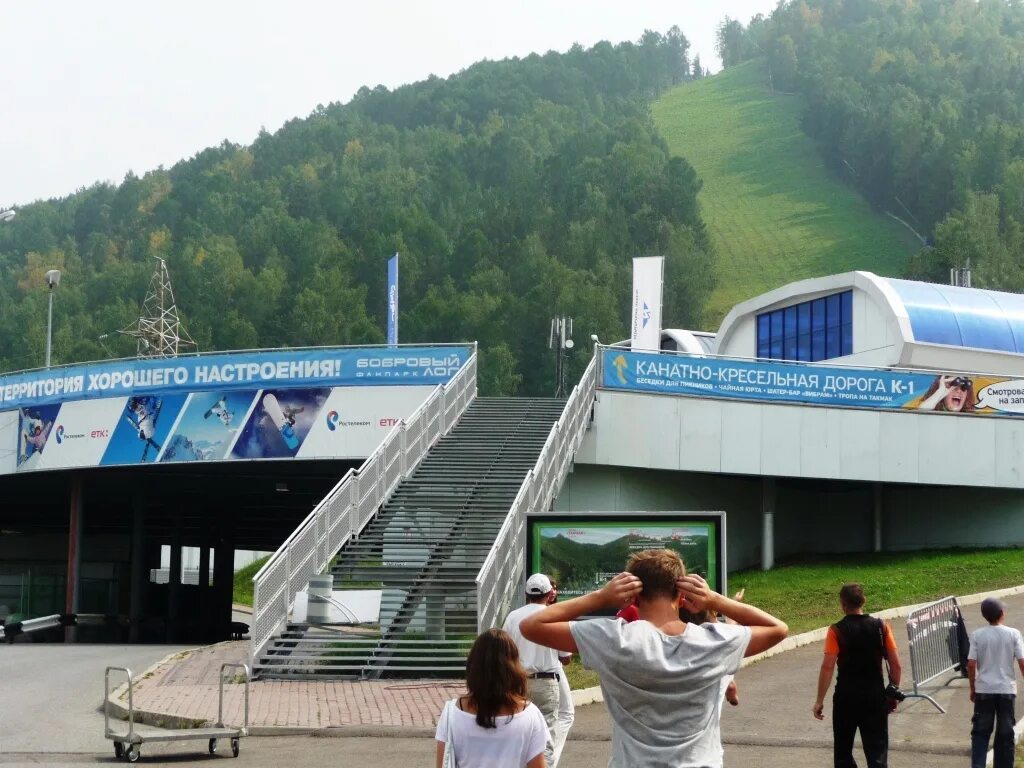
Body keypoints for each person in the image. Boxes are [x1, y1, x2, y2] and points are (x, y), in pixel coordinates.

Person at [520, 549, 788, 767]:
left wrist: (601, 597)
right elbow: (778, 629)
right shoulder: (713, 641)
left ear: (633, 596)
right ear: (682, 595)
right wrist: (715, 600)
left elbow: (531, 626)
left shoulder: (614, 640)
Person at [813, 583, 902, 768]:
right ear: (863, 601)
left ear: (843, 604)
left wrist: (819, 700)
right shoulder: (882, 627)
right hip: (874, 697)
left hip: (846, 697)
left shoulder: (836, 630)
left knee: (843, 753)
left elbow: (827, 667)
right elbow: (896, 664)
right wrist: (893, 690)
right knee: (877, 752)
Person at [434, 628, 547, 768]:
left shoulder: (452, 714)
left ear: (473, 666)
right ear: (513, 667)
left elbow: (443, 764)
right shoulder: (530, 715)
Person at [503, 573, 567, 766]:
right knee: (546, 736)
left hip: (519, 682)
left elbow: (505, 652)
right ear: (549, 594)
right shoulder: (555, 616)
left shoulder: (513, 617)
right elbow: (566, 658)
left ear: (526, 593)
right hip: (547, 683)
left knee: (518, 732)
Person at [967, 597, 1024, 768]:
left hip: (984, 689)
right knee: (1006, 733)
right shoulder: (1013, 634)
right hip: (1006, 690)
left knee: (980, 733)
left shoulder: (977, 635)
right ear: (1001, 614)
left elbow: (971, 663)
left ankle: (978, 765)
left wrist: (972, 687)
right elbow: (1022, 662)